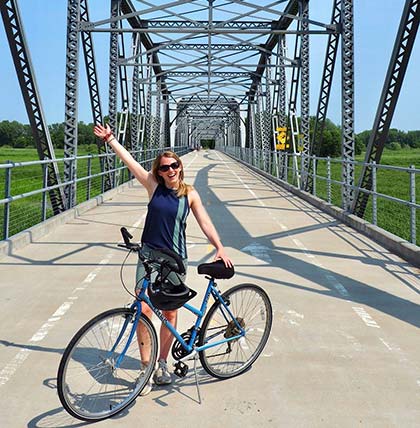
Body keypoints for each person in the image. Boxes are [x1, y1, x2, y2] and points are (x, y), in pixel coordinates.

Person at [93, 123, 233, 394]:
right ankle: (146, 368)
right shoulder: (152, 185)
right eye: (164, 167)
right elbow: (129, 161)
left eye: (174, 166)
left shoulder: (189, 194)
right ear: (158, 171)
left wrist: (219, 246)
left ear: (180, 166)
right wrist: (110, 139)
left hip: (176, 259)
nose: (170, 170)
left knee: (169, 311)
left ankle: (162, 363)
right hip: (148, 256)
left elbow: (204, 221)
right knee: (143, 309)